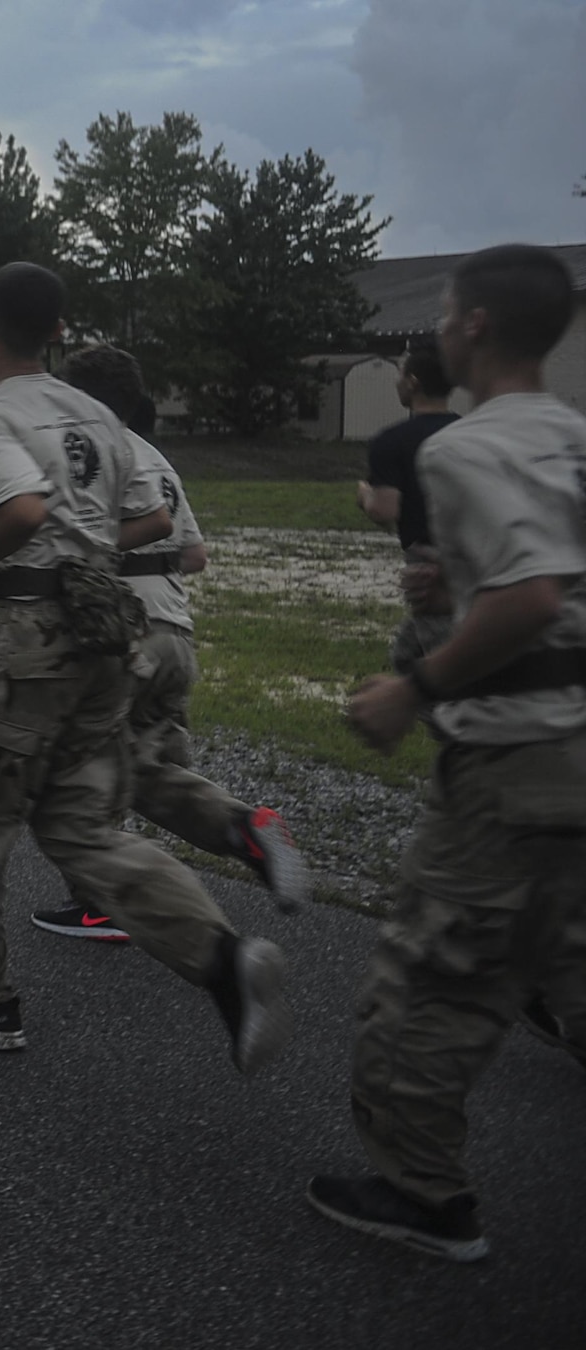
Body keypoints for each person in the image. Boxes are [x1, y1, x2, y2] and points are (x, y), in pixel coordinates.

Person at [0, 262, 291, 1077]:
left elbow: (21, 510)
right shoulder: (100, 417)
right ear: (57, 329)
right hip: (108, 633)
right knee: (84, 827)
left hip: (30, 635)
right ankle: (222, 960)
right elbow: (140, 519)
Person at [322, 244, 586, 1263]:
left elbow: (529, 596)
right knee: (566, 947)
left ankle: (421, 1195)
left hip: (512, 759)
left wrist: (411, 688)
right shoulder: (570, 437)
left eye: (439, 309)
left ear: (472, 326)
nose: (430, 325)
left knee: (422, 984)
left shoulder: (458, 449)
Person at [30, 345, 309, 941]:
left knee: (84, 769)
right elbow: (196, 555)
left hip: (123, 632)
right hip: (176, 632)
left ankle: (102, 902)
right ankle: (245, 827)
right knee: (144, 769)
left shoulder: (90, 451)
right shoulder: (156, 457)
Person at [357, 340, 461, 678]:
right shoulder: (470, 433)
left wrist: (365, 496)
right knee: (405, 658)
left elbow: (385, 511)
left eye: (400, 374)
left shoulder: (392, 441)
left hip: (428, 565)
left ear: (413, 381)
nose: (397, 381)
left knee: (450, 677)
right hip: (476, 553)